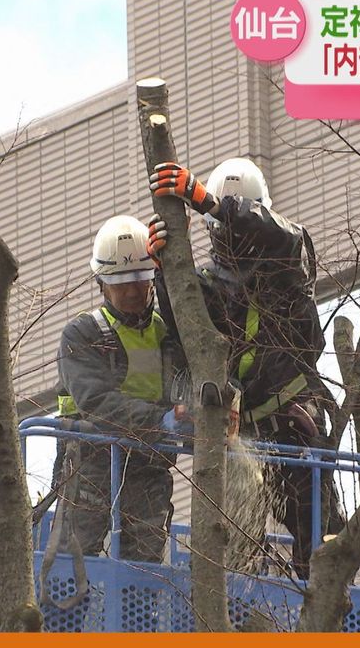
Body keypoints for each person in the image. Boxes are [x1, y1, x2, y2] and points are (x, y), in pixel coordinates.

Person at [147, 157, 345, 579]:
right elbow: (188, 331)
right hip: (245, 430)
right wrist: (166, 272)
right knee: (235, 545)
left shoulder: (287, 263)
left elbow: (279, 232)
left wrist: (214, 204)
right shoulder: (210, 285)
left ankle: (328, 608)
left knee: (318, 537)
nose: (231, 241)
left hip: (295, 424)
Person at [53, 214, 188, 565]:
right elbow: (96, 401)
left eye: (140, 281)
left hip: (148, 463)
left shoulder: (168, 335)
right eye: (120, 283)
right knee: (75, 561)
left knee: (144, 566)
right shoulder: (83, 335)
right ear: (101, 283)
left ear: (153, 280)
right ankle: (64, 620)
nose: (131, 292)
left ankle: (135, 620)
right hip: (90, 462)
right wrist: (163, 420)